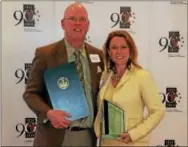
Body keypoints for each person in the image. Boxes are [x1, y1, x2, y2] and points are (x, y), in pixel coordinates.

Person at [23, 2, 104, 147]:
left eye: (82, 19)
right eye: (72, 18)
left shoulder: (98, 55)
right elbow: (31, 94)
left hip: (88, 136)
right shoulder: (45, 54)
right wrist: (48, 113)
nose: (77, 23)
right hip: (54, 137)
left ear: (88, 25)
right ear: (63, 23)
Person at [94, 30, 165, 146]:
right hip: (106, 143)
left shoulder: (142, 76)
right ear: (109, 52)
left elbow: (158, 111)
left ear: (130, 50)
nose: (119, 51)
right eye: (114, 47)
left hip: (131, 143)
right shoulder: (105, 76)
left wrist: (134, 134)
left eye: (123, 47)